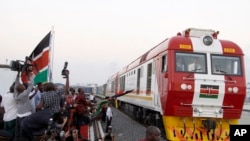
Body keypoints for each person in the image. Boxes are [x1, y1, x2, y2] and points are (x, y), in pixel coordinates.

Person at [21, 70, 69, 141]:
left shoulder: (43, 94)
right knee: (55, 134)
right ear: (53, 87)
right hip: (54, 116)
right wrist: (67, 77)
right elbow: (66, 88)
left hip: (45, 116)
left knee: (45, 133)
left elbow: (39, 107)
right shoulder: (57, 93)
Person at [13, 70, 35, 141]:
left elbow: (16, 85)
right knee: (24, 132)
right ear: (22, 89)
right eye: (22, 86)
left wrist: (18, 74)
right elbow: (31, 85)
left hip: (19, 115)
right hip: (26, 115)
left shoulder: (15, 94)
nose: (24, 86)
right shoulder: (25, 94)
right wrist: (30, 77)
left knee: (18, 132)